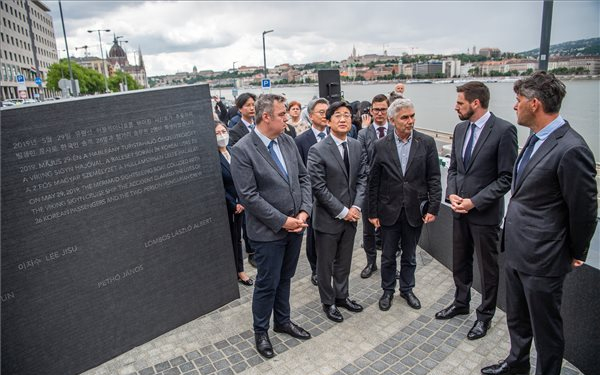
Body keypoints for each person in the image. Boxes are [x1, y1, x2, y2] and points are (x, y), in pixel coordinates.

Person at [481, 72, 597, 375]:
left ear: (534, 104)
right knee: (517, 319)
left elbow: (583, 210)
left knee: (546, 329)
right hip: (518, 250)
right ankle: (516, 364)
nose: (514, 106)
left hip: (545, 257)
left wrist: (576, 252)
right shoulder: (535, 139)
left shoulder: (571, 148)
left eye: (518, 101)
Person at [231, 94, 313, 359]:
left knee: (286, 277)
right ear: (266, 117)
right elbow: (249, 196)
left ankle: (283, 321)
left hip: (295, 226)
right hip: (268, 233)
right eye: (282, 114)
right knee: (267, 282)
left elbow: (304, 178)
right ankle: (261, 331)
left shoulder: (287, 140)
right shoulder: (243, 150)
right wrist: (282, 221)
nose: (287, 118)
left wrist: (303, 211)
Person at [435, 82, 518, 341]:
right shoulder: (460, 129)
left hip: (485, 215)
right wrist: (451, 194)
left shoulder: (505, 131)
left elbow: (506, 178)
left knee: (488, 268)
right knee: (460, 261)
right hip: (459, 211)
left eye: (460, 103)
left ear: (476, 103)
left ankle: (485, 317)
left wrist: (474, 201)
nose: (455, 107)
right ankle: (461, 303)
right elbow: (455, 168)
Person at [368, 98, 441, 312]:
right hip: (388, 211)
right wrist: (373, 212)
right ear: (392, 120)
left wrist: (433, 207)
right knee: (388, 255)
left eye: (412, 116)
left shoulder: (426, 143)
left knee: (409, 255)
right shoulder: (380, 146)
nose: (410, 121)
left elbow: (434, 178)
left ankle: (407, 289)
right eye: (405, 117)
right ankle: (387, 290)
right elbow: (374, 181)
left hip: (414, 210)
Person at [307, 101, 368, 323]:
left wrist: (356, 207)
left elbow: (362, 177)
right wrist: (343, 211)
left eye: (347, 115)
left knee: (344, 261)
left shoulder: (356, 145)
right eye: (338, 116)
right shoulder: (318, 150)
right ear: (329, 121)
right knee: (325, 264)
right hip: (328, 218)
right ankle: (328, 302)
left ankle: (342, 296)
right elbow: (318, 188)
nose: (343, 119)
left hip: (352, 216)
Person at [294, 97, 330, 286]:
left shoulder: (336, 134)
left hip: (334, 196)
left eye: (327, 111)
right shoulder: (301, 140)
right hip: (312, 198)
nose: (326, 116)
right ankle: (315, 269)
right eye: (321, 112)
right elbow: (299, 173)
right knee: (314, 236)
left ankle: (330, 265)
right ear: (310, 116)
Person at [356, 94, 391, 279]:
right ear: (371, 110)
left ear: (388, 110)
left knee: (390, 230)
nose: (379, 113)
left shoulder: (395, 130)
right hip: (370, 189)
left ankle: (389, 263)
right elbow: (362, 161)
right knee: (368, 230)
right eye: (376, 109)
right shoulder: (363, 134)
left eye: (383, 109)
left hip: (391, 190)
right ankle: (371, 263)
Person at [215, 122, 253, 286]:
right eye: (217, 133)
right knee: (232, 239)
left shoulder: (233, 151)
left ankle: (239, 269)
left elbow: (244, 176)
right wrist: (233, 204)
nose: (222, 135)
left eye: (224, 131)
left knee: (240, 238)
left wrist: (243, 200)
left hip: (243, 202)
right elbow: (218, 185)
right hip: (228, 206)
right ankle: (235, 271)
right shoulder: (212, 157)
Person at [228, 92, 258, 267]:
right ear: (240, 109)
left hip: (262, 177)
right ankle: (251, 251)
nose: (252, 108)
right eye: (247, 105)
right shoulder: (235, 131)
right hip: (248, 177)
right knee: (248, 217)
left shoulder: (259, 126)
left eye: (253, 104)